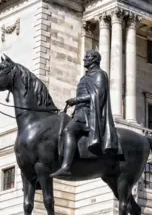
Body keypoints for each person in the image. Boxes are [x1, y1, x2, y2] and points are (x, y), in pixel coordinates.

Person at [50, 49, 119, 178]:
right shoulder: (85, 76)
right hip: (79, 112)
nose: (84, 59)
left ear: (94, 59)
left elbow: (98, 95)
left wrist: (76, 100)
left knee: (68, 131)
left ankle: (66, 167)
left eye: (87, 57)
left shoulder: (100, 74)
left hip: (89, 114)